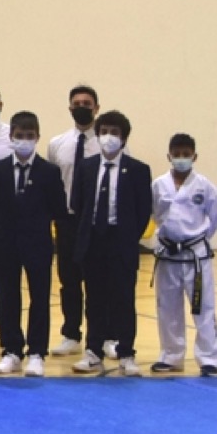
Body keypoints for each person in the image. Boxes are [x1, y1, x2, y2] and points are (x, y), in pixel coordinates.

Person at [70, 110, 151, 376]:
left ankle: (126, 353)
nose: (108, 137)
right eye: (104, 131)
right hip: (93, 240)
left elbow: (143, 211)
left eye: (114, 132)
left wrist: (127, 236)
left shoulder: (138, 170)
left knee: (123, 300)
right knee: (94, 300)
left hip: (121, 242)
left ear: (124, 138)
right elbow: (78, 204)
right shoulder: (86, 167)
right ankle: (93, 351)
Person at [0, 112, 66, 377]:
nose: (24, 141)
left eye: (30, 136)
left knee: (39, 297)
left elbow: (58, 209)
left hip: (38, 243)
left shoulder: (49, 172)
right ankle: (11, 349)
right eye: (19, 136)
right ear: (11, 137)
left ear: (37, 137)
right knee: (7, 296)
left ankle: (37, 352)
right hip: (6, 242)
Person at [151, 133, 217, 376]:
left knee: (203, 307)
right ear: (169, 156)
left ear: (195, 156)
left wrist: (200, 239)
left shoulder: (204, 185)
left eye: (186, 154)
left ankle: (209, 358)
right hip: (168, 254)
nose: (181, 158)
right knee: (167, 307)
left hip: (196, 256)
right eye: (177, 154)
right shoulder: (158, 185)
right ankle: (171, 355)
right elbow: (153, 214)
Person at [46, 85, 101, 356]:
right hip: (67, 221)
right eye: (76, 103)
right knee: (69, 280)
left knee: (97, 281)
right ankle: (71, 333)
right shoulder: (57, 144)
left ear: (96, 108)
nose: (81, 107)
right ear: (69, 108)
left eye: (87, 103)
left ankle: (103, 335)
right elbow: (53, 183)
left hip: (95, 222)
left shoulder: (106, 142)